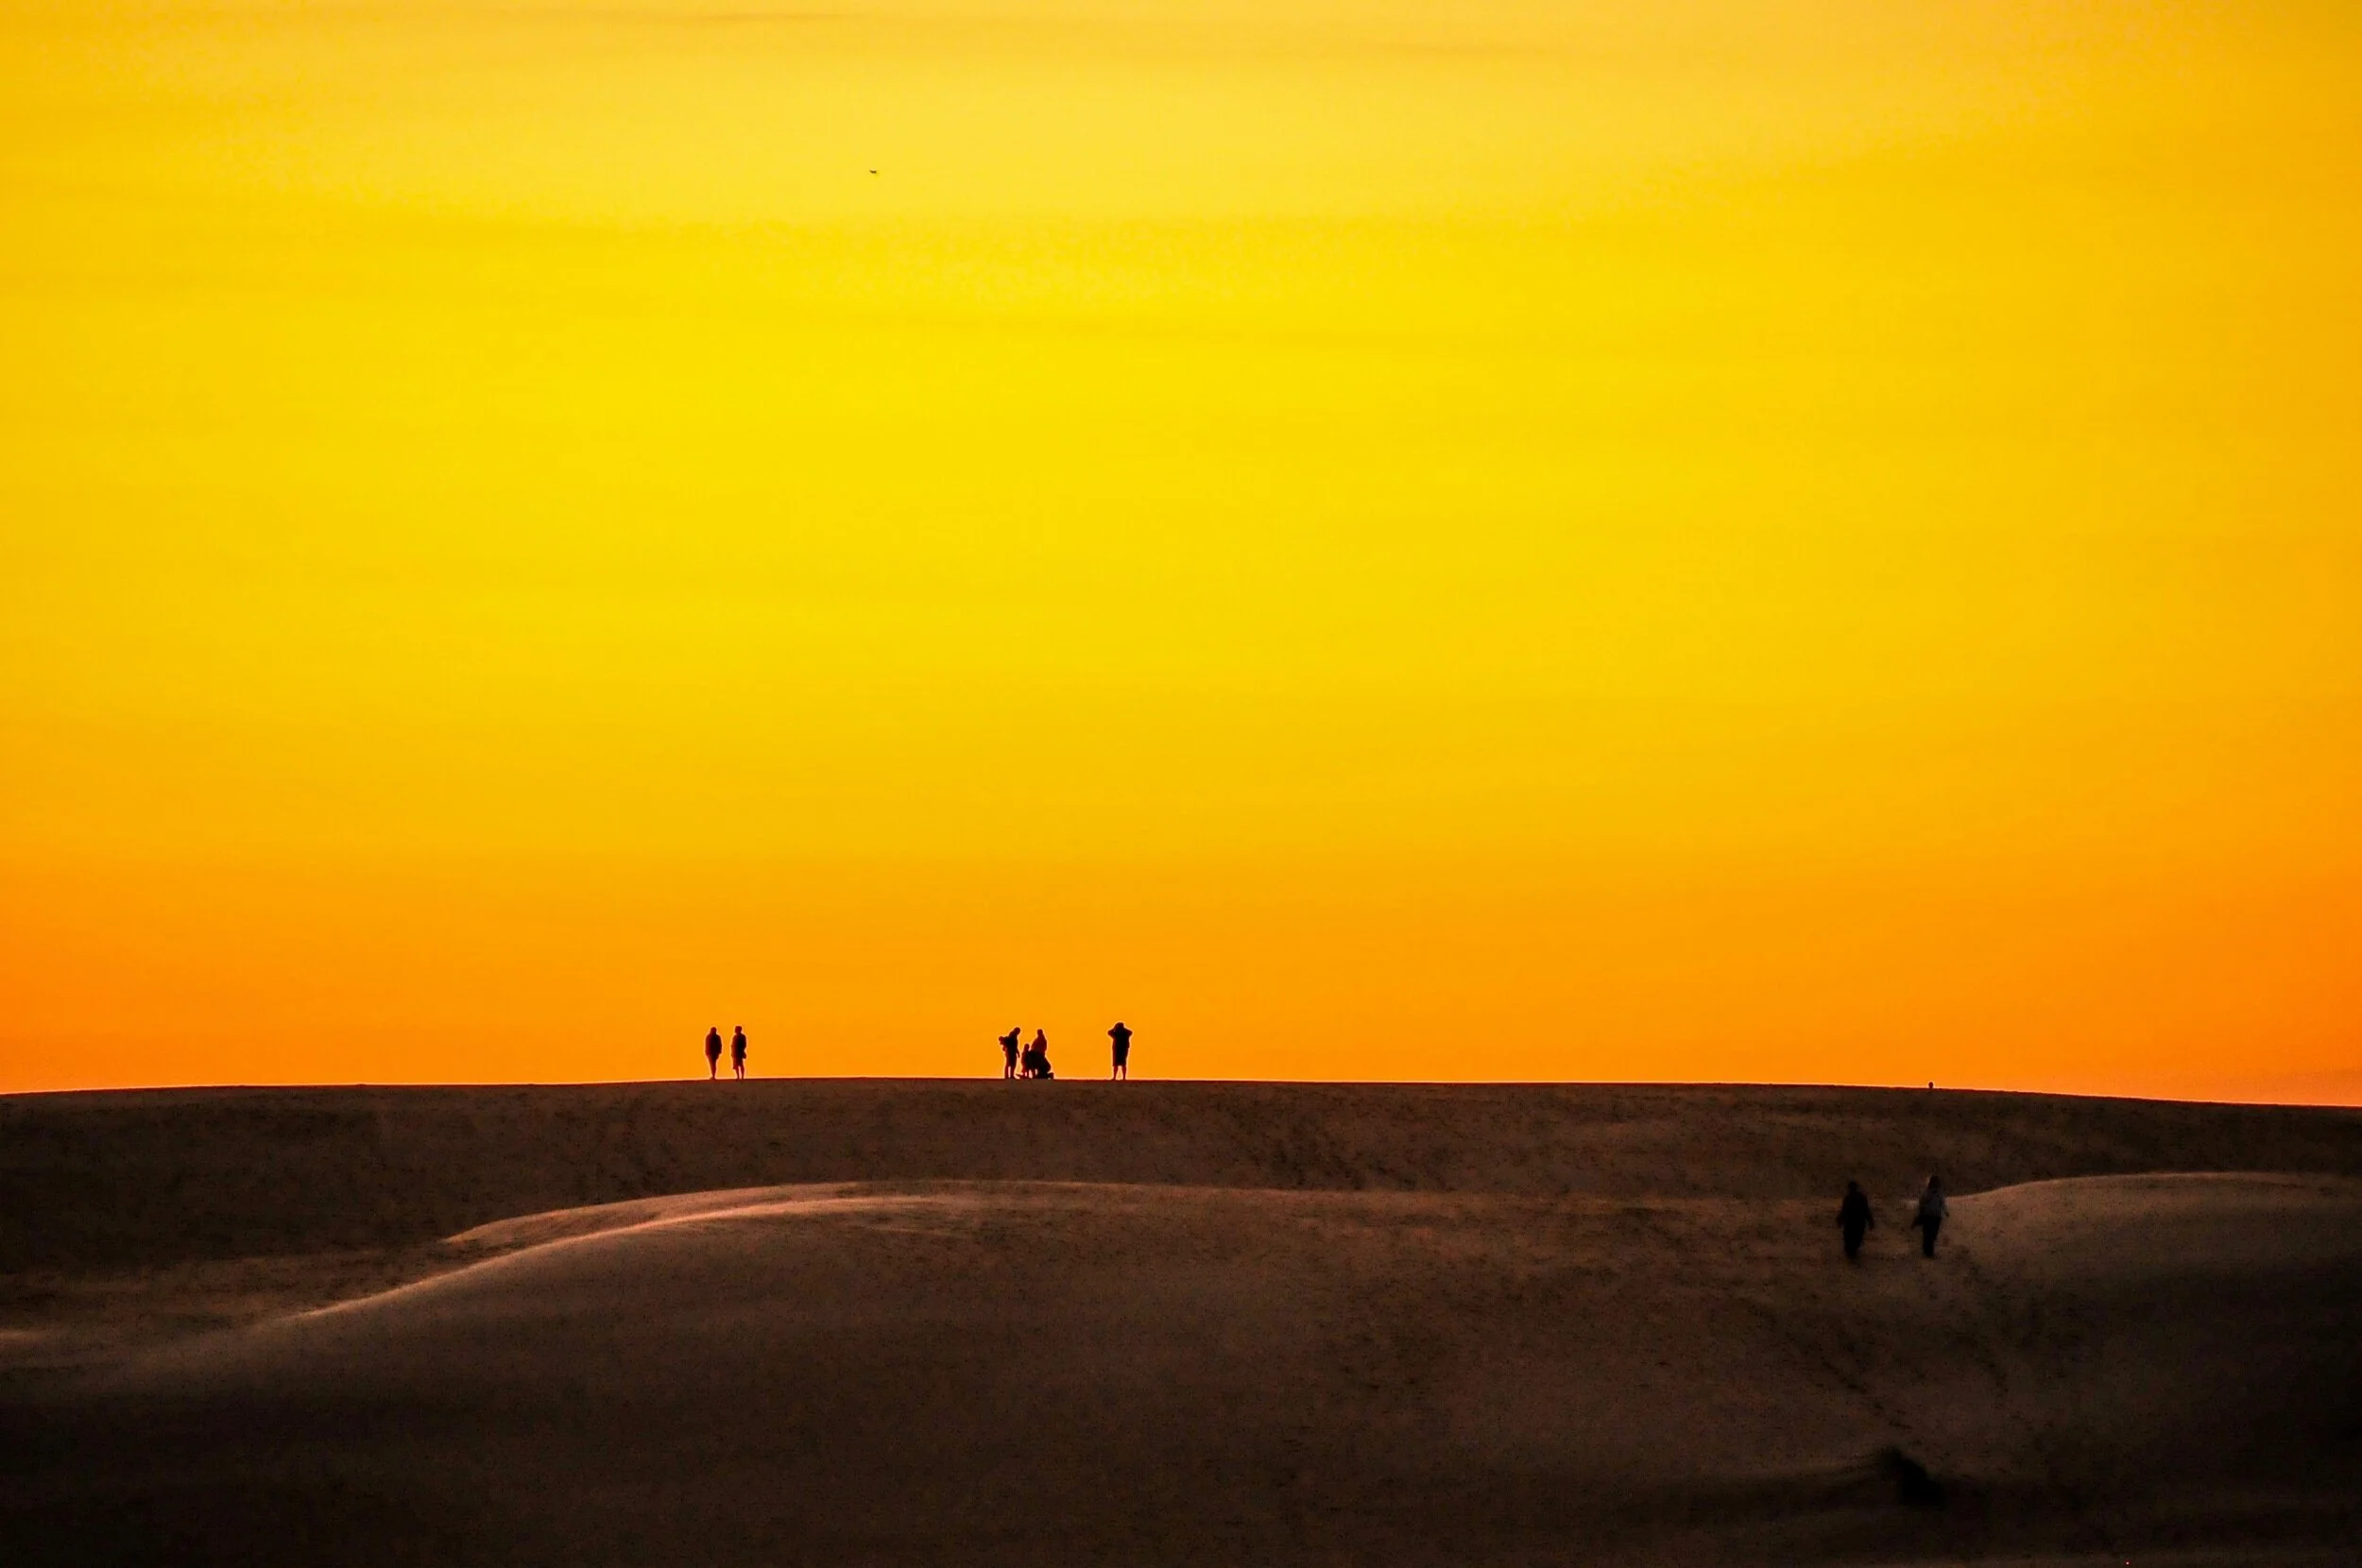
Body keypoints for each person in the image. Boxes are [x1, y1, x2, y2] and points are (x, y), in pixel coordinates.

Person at [1837, 1179, 1874, 1260]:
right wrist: (1871, 1222)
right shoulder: (1861, 1198)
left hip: (1851, 1224)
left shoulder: (1849, 1198)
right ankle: (1853, 1254)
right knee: (1855, 1241)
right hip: (1858, 1224)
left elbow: (1844, 1211)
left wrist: (1840, 1220)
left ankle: (1851, 1255)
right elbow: (1866, 1211)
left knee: (1851, 1241)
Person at [1911, 1174, 1948, 1258]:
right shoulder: (1938, 1193)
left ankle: (1927, 1251)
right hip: (1936, 1216)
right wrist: (1945, 1212)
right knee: (1932, 1235)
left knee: (1927, 1234)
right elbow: (1942, 1203)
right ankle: (1929, 1252)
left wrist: (1921, 1211)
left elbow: (1921, 1202)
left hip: (1928, 1215)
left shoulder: (1927, 1192)